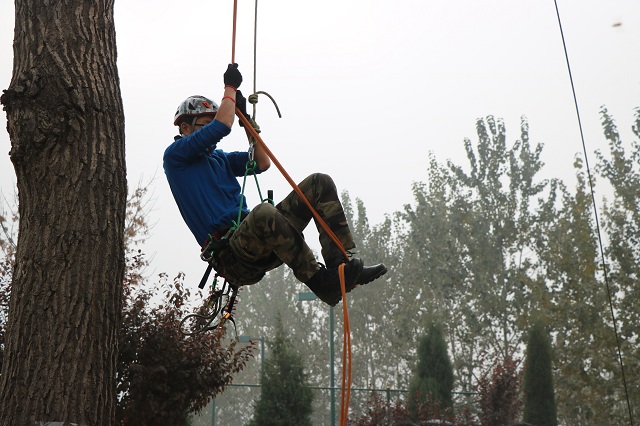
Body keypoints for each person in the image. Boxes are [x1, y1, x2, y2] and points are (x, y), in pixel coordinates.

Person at [163, 64, 387, 306]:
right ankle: (319, 280)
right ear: (185, 128)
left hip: (258, 239)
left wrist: (245, 121)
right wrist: (230, 89)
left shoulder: (220, 159)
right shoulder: (176, 158)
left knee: (319, 183)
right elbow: (221, 126)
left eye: (209, 123)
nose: (208, 129)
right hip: (232, 254)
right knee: (263, 212)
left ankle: (342, 267)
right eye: (203, 124)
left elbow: (262, 161)